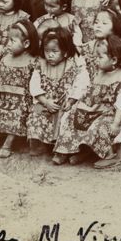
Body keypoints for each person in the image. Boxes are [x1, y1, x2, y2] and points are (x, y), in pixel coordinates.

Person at [53, 33, 121, 168]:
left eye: (100, 57)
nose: (96, 60)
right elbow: (90, 92)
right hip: (94, 109)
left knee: (99, 127)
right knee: (72, 117)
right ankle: (73, 149)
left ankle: (111, 155)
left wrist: (116, 123)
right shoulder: (99, 72)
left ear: (114, 60)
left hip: (114, 114)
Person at [0, 17, 40, 158]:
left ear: (26, 43)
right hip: (3, 94)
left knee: (18, 111)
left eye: (13, 41)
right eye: (8, 40)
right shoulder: (5, 56)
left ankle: (8, 143)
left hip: (22, 98)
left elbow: (35, 83)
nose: (8, 44)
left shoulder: (32, 61)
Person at [26, 26, 83, 156]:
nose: (49, 55)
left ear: (65, 52)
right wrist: (45, 101)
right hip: (46, 101)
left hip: (64, 103)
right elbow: (34, 85)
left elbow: (79, 84)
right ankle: (39, 143)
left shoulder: (72, 65)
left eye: (54, 51)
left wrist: (71, 100)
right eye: (46, 51)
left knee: (67, 118)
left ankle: (62, 149)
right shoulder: (40, 64)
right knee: (36, 116)